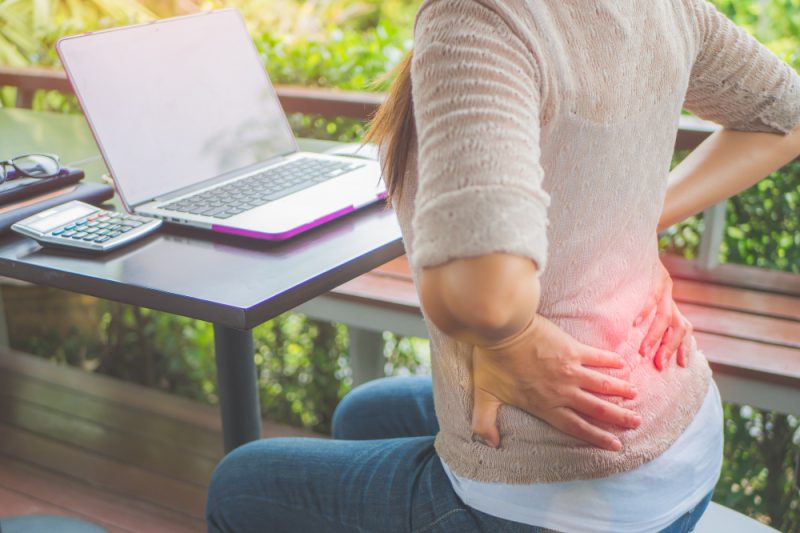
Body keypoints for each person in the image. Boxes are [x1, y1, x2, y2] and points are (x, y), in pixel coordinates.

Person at [206, 1, 800, 531]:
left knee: (238, 483)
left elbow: (485, 299)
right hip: (684, 438)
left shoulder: (476, 20)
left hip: (573, 492)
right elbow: (787, 117)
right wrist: (633, 224)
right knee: (362, 411)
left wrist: (512, 337)